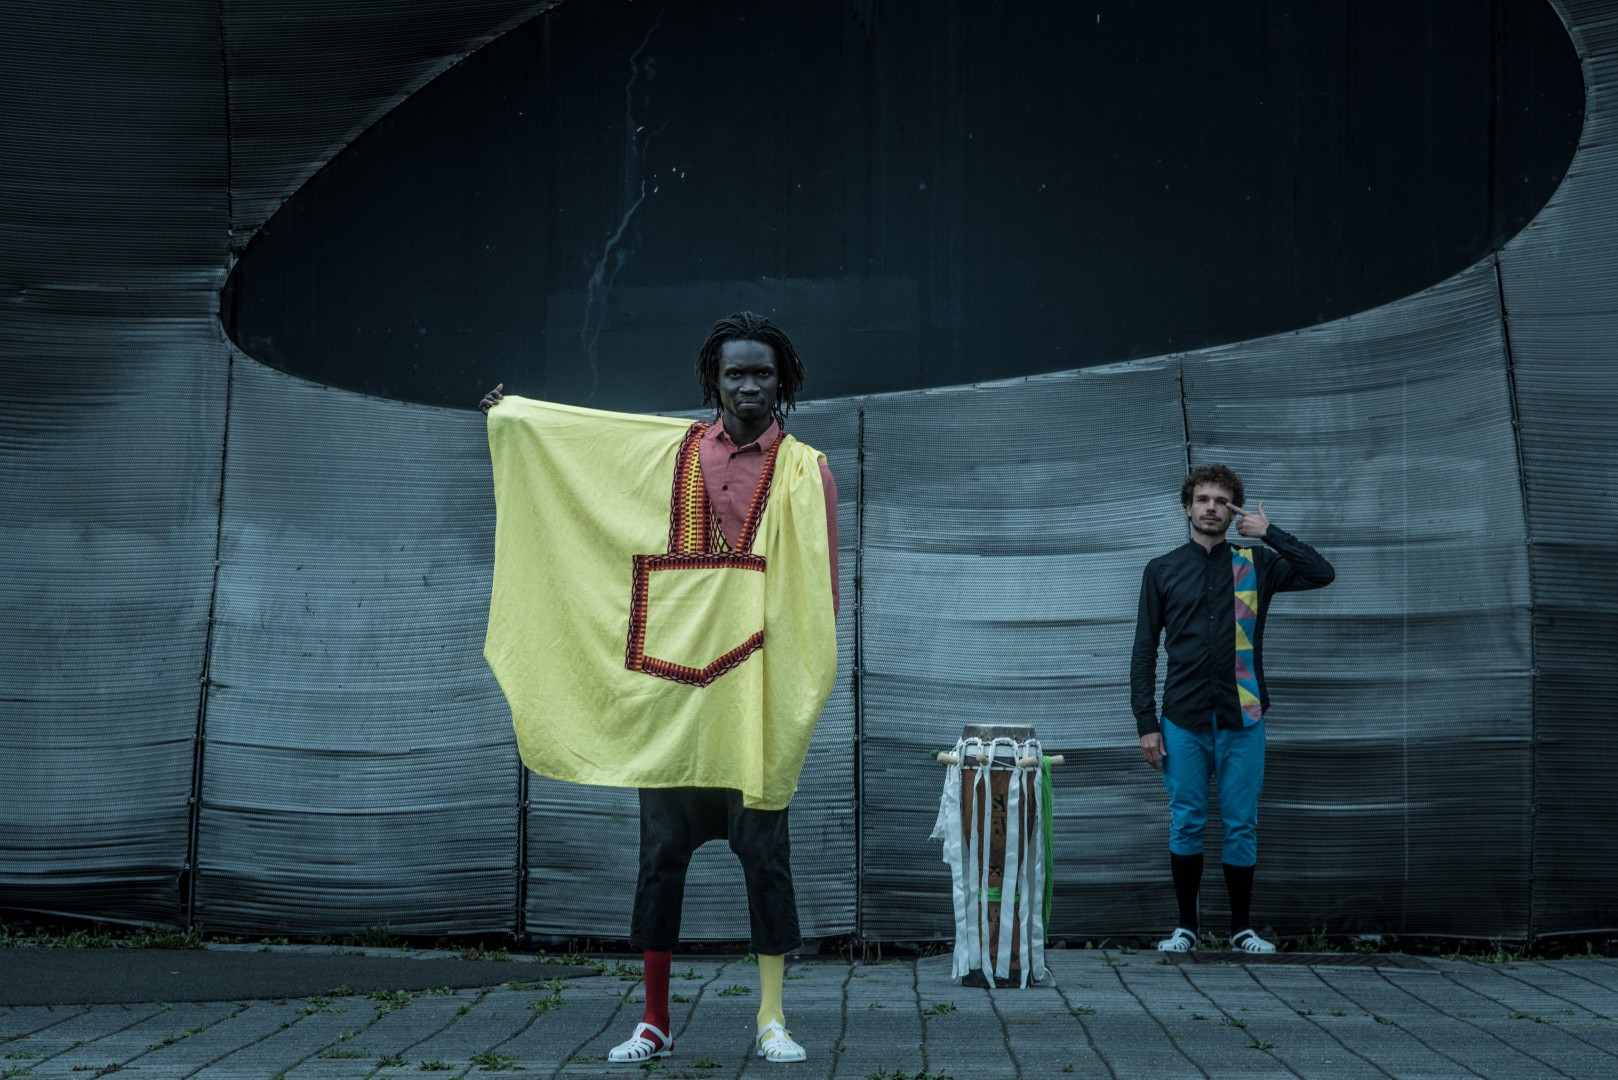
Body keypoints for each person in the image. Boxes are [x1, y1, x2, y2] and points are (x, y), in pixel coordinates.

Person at [480, 312, 838, 1065]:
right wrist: (516, 422)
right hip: (673, 695)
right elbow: (586, 457)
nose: (749, 385)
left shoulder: (808, 472)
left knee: (765, 855)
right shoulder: (666, 453)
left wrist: (797, 689)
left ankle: (772, 1017)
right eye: (735, 372)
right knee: (660, 856)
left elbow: (821, 598)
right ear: (713, 378)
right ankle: (653, 1021)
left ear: (784, 381)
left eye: (763, 372)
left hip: (756, 696)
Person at [1130, 463, 1334, 954]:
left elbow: (1321, 573)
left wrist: (1270, 533)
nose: (1211, 508)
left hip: (1244, 716)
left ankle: (1242, 929)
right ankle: (1186, 929)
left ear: (1233, 511)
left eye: (1222, 501)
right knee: (1187, 821)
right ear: (1187, 508)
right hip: (1182, 720)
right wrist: (1146, 723)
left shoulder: (1255, 563)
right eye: (1202, 499)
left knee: (1241, 823)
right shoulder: (1161, 569)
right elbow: (1143, 650)